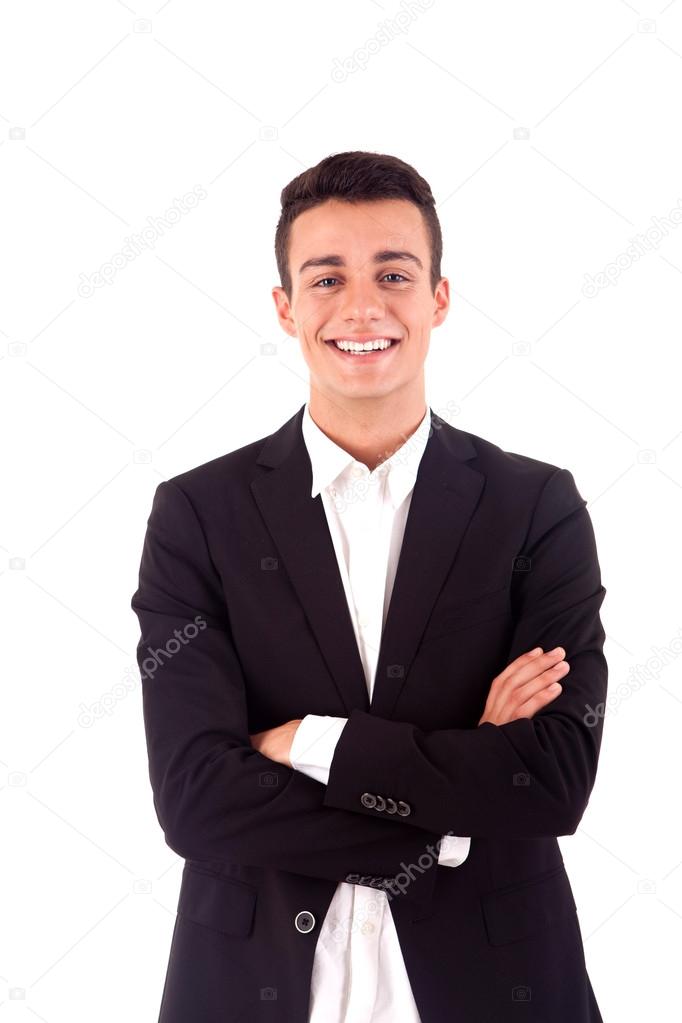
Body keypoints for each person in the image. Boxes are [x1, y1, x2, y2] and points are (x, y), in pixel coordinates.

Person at [131, 150, 607, 1022]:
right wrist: (451, 821)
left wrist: (305, 742)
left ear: (438, 298)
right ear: (284, 307)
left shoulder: (534, 507)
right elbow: (197, 797)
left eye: (394, 273)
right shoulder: (198, 514)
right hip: (251, 984)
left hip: (498, 985)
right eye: (326, 279)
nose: (362, 307)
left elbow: (551, 781)